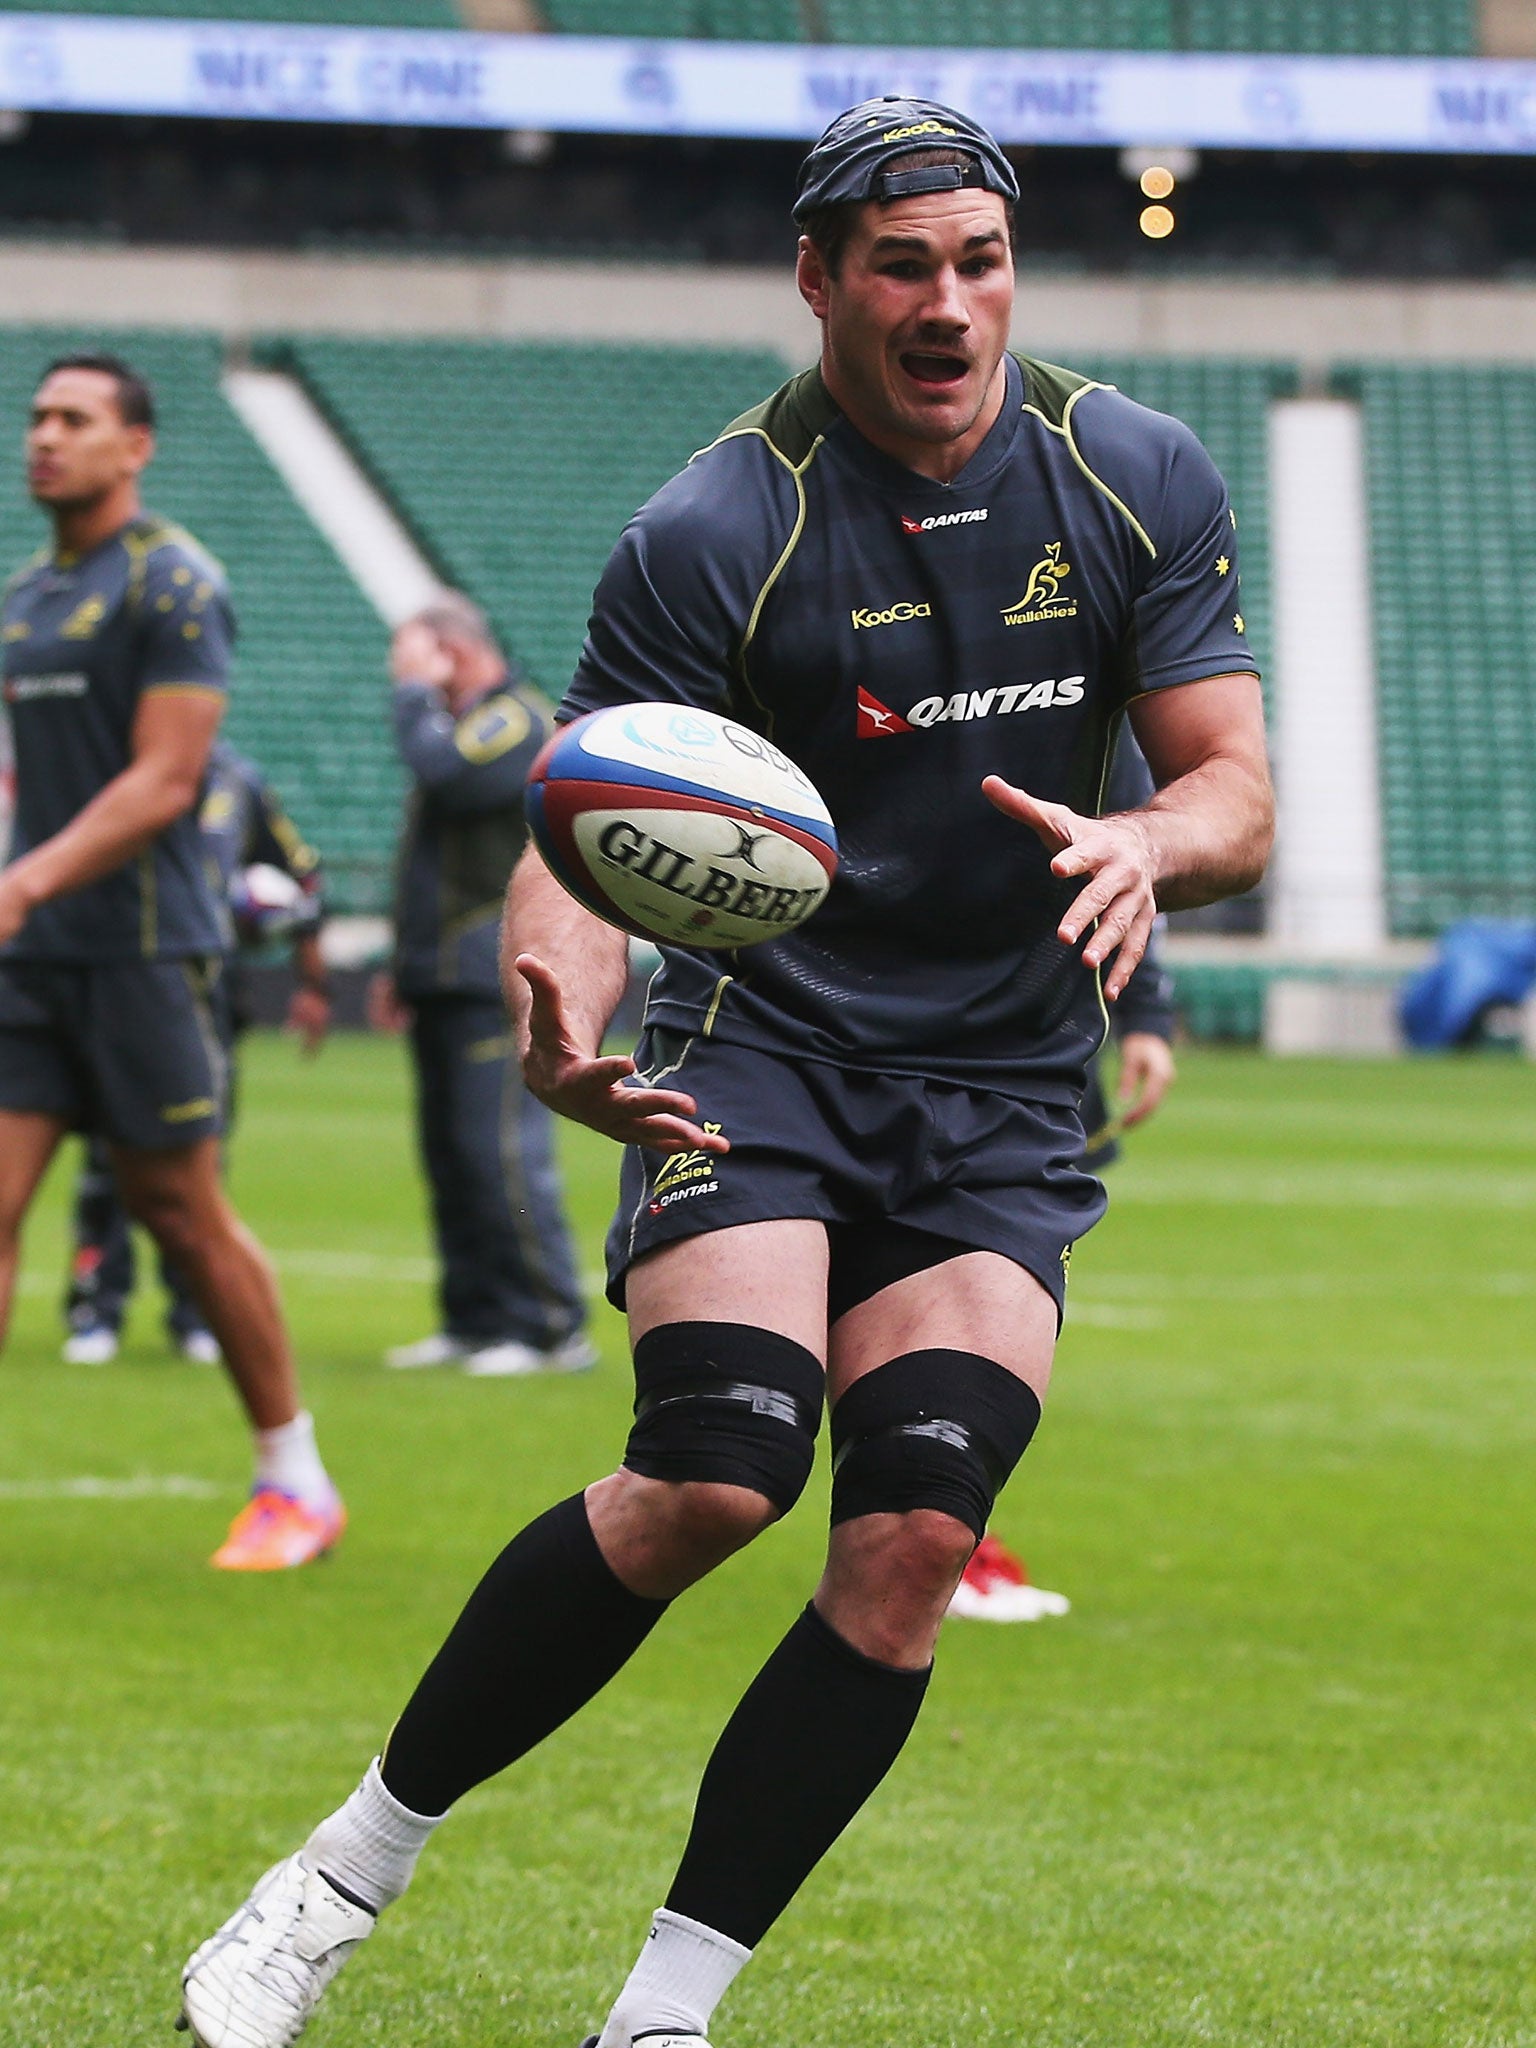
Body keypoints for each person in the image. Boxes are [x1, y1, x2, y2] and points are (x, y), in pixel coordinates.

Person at [178, 97, 1273, 2047]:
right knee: (717, 1471)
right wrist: (562, 1014)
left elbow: (1232, 785)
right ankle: (344, 1872)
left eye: (982, 261)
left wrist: (1154, 848)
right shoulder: (717, 529)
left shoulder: (1131, 475)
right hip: (756, 1044)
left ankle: (663, 2014)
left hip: (1007, 1089)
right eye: (903, 266)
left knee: (921, 1531)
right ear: (819, 277)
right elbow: (584, 818)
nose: (950, 306)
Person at [0, 350, 345, 1571]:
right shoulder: (27, 596)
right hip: (33, 959)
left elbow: (164, 780)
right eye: (39, 417)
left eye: (75, 419)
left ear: (134, 445)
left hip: (147, 949)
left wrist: (27, 878)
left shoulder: (176, 579)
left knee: (181, 1213)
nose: (46, 436)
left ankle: (294, 1477)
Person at [949, 731, 1178, 1621]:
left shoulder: (1085, 670)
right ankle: (937, 1531)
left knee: (984, 1301)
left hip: (1034, 1048)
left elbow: (1127, 846)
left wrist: (1147, 1009)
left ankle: (947, 1531)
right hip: (853, 1041)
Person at [61, 737, 332, 1367]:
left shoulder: (239, 778)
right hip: (122, 980)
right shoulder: (114, 770)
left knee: (199, 1156)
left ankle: (194, 1313)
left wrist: (313, 985)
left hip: (208, 989)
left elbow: (300, 873)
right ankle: (97, 1307)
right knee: (110, 1153)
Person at [375, 594, 590, 1377]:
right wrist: (402, 967)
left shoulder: (512, 718)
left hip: (489, 973)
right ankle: (473, 1318)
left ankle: (548, 1326)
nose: (403, 677)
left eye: (413, 658)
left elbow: (447, 777)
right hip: (439, 974)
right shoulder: (468, 725)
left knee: (496, 1149)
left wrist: (411, 692)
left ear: (452, 652)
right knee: (451, 1156)